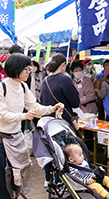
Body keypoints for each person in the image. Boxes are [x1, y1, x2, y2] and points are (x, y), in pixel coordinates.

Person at [0, 53, 63, 198]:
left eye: (30, 69)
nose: (29, 72)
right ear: (16, 69)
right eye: (26, 69)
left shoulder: (22, 87)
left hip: (14, 139)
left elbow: (34, 107)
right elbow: (2, 114)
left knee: (15, 179)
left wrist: (52, 108)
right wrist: (23, 116)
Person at [40, 53, 80, 187]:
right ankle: (60, 180)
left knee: (50, 150)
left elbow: (41, 101)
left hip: (47, 122)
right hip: (61, 122)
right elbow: (75, 102)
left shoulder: (45, 80)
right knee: (62, 150)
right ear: (63, 64)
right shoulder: (64, 79)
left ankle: (48, 178)